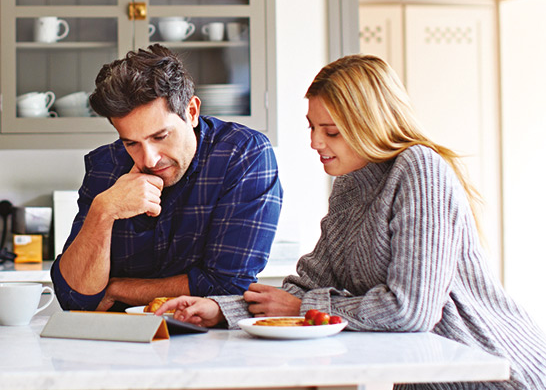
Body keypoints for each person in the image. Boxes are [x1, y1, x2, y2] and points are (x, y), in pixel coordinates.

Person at [157, 54, 546, 389]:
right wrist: (221, 310)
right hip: (430, 375)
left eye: (331, 131)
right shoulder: (348, 184)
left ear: (371, 123)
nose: (315, 142)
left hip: (495, 372)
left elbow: (410, 310)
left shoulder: (420, 168)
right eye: (312, 127)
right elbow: (307, 284)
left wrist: (301, 308)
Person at [51, 44, 283, 312]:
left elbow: (227, 286)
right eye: (131, 143)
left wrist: (118, 288)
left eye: (160, 137)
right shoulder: (106, 166)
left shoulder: (242, 155)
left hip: (207, 343)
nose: (148, 159)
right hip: (118, 343)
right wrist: (103, 212)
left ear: (192, 112)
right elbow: (74, 298)